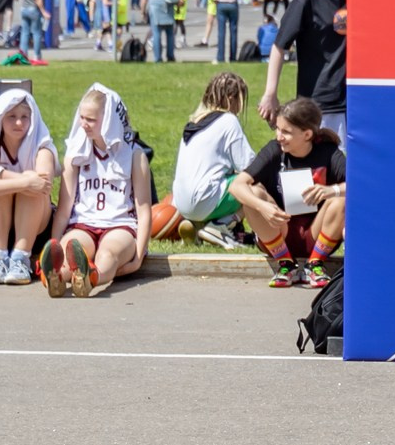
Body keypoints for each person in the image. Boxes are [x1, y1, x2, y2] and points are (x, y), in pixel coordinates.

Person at [40, 84, 152, 298]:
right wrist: (53, 244)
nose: (83, 125)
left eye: (91, 120)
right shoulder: (75, 154)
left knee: (108, 253)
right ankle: (55, 274)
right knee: (69, 247)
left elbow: (144, 209)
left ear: (109, 120)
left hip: (120, 225)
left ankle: (91, 278)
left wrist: (138, 256)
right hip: (84, 223)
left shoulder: (134, 155)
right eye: (82, 117)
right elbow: (64, 208)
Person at [232, 97, 345, 288]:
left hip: (317, 234)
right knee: (252, 194)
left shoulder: (328, 152)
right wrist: (263, 207)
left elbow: (361, 185)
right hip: (278, 232)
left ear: (307, 134)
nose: (279, 136)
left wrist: (330, 190)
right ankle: (285, 264)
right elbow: (236, 185)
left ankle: (315, 264)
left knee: (341, 197)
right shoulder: (274, 151)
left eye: (286, 132)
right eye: (277, 128)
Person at [261, 0, 349, 138]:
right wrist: (270, 93)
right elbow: (279, 46)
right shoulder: (306, 0)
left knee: (345, 169)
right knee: (318, 168)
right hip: (317, 104)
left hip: (349, 102)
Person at [0, 88, 57, 285]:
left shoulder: (42, 149)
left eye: (25, 117)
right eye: (11, 117)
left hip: (36, 230)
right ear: (0, 118)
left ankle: (21, 259)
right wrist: (24, 180)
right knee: (0, 190)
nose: (19, 123)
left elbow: (43, 185)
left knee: (30, 193)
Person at [166, 71, 254, 245]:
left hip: (181, 204)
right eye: (240, 101)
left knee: (220, 178)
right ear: (230, 98)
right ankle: (223, 225)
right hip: (205, 200)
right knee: (253, 181)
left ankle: (196, 227)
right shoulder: (229, 121)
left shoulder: (193, 122)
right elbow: (250, 166)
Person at [15, 0, 48, 65]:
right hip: (33, 9)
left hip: (23, 8)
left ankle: (23, 54)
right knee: (36, 33)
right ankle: (37, 55)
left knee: (24, 32)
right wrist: (43, 11)